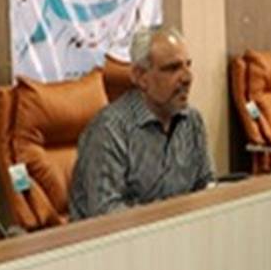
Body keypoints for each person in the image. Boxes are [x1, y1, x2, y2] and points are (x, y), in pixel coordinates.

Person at [68, 26, 214, 219]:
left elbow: (206, 186)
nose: (187, 78)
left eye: (188, 65)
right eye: (172, 68)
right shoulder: (109, 130)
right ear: (140, 77)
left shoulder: (192, 121)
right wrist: (169, 218)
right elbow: (106, 214)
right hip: (116, 237)